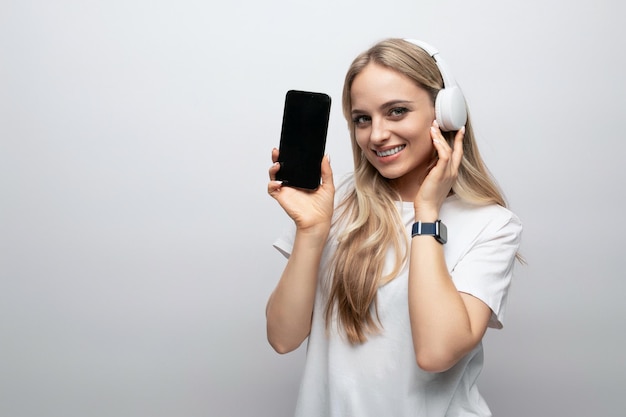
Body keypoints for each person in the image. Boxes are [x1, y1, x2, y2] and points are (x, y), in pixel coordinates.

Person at [265, 38, 523, 417]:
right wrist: (311, 231)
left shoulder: (491, 225)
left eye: (397, 111)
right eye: (362, 119)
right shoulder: (335, 204)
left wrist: (427, 215)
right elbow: (282, 338)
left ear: (446, 114)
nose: (377, 135)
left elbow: (436, 352)